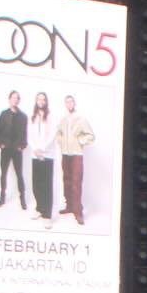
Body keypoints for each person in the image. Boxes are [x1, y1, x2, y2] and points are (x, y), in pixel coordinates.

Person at [55, 95, 95, 225]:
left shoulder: (81, 119)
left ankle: (78, 212)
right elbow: (58, 133)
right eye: (67, 102)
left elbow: (91, 136)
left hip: (76, 154)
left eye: (71, 102)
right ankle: (69, 206)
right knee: (66, 180)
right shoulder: (63, 119)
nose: (69, 104)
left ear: (74, 103)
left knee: (76, 182)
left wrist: (79, 141)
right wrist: (61, 142)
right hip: (65, 154)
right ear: (65, 104)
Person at [28, 92, 58, 229]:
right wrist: (35, 149)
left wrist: (42, 149)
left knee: (46, 185)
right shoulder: (32, 116)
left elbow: (52, 135)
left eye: (43, 99)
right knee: (36, 184)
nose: (41, 101)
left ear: (46, 102)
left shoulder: (50, 116)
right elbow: (29, 135)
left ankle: (47, 216)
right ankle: (39, 208)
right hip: (35, 154)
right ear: (36, 101)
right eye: (39, 99)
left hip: (47, 155)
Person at [0, 90, 26, 211]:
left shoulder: (23, 116)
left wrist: (22, 146)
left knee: (19, 174)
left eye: (17, 98)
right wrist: (0, 144)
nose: (15, 100)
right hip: (6, 149)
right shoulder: (4, 114)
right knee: (3, 174)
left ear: (19, 100)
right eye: (13, 98)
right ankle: (2, 198)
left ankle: (22, 199)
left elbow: (24, 134)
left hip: (17, 150)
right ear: (9, 99)